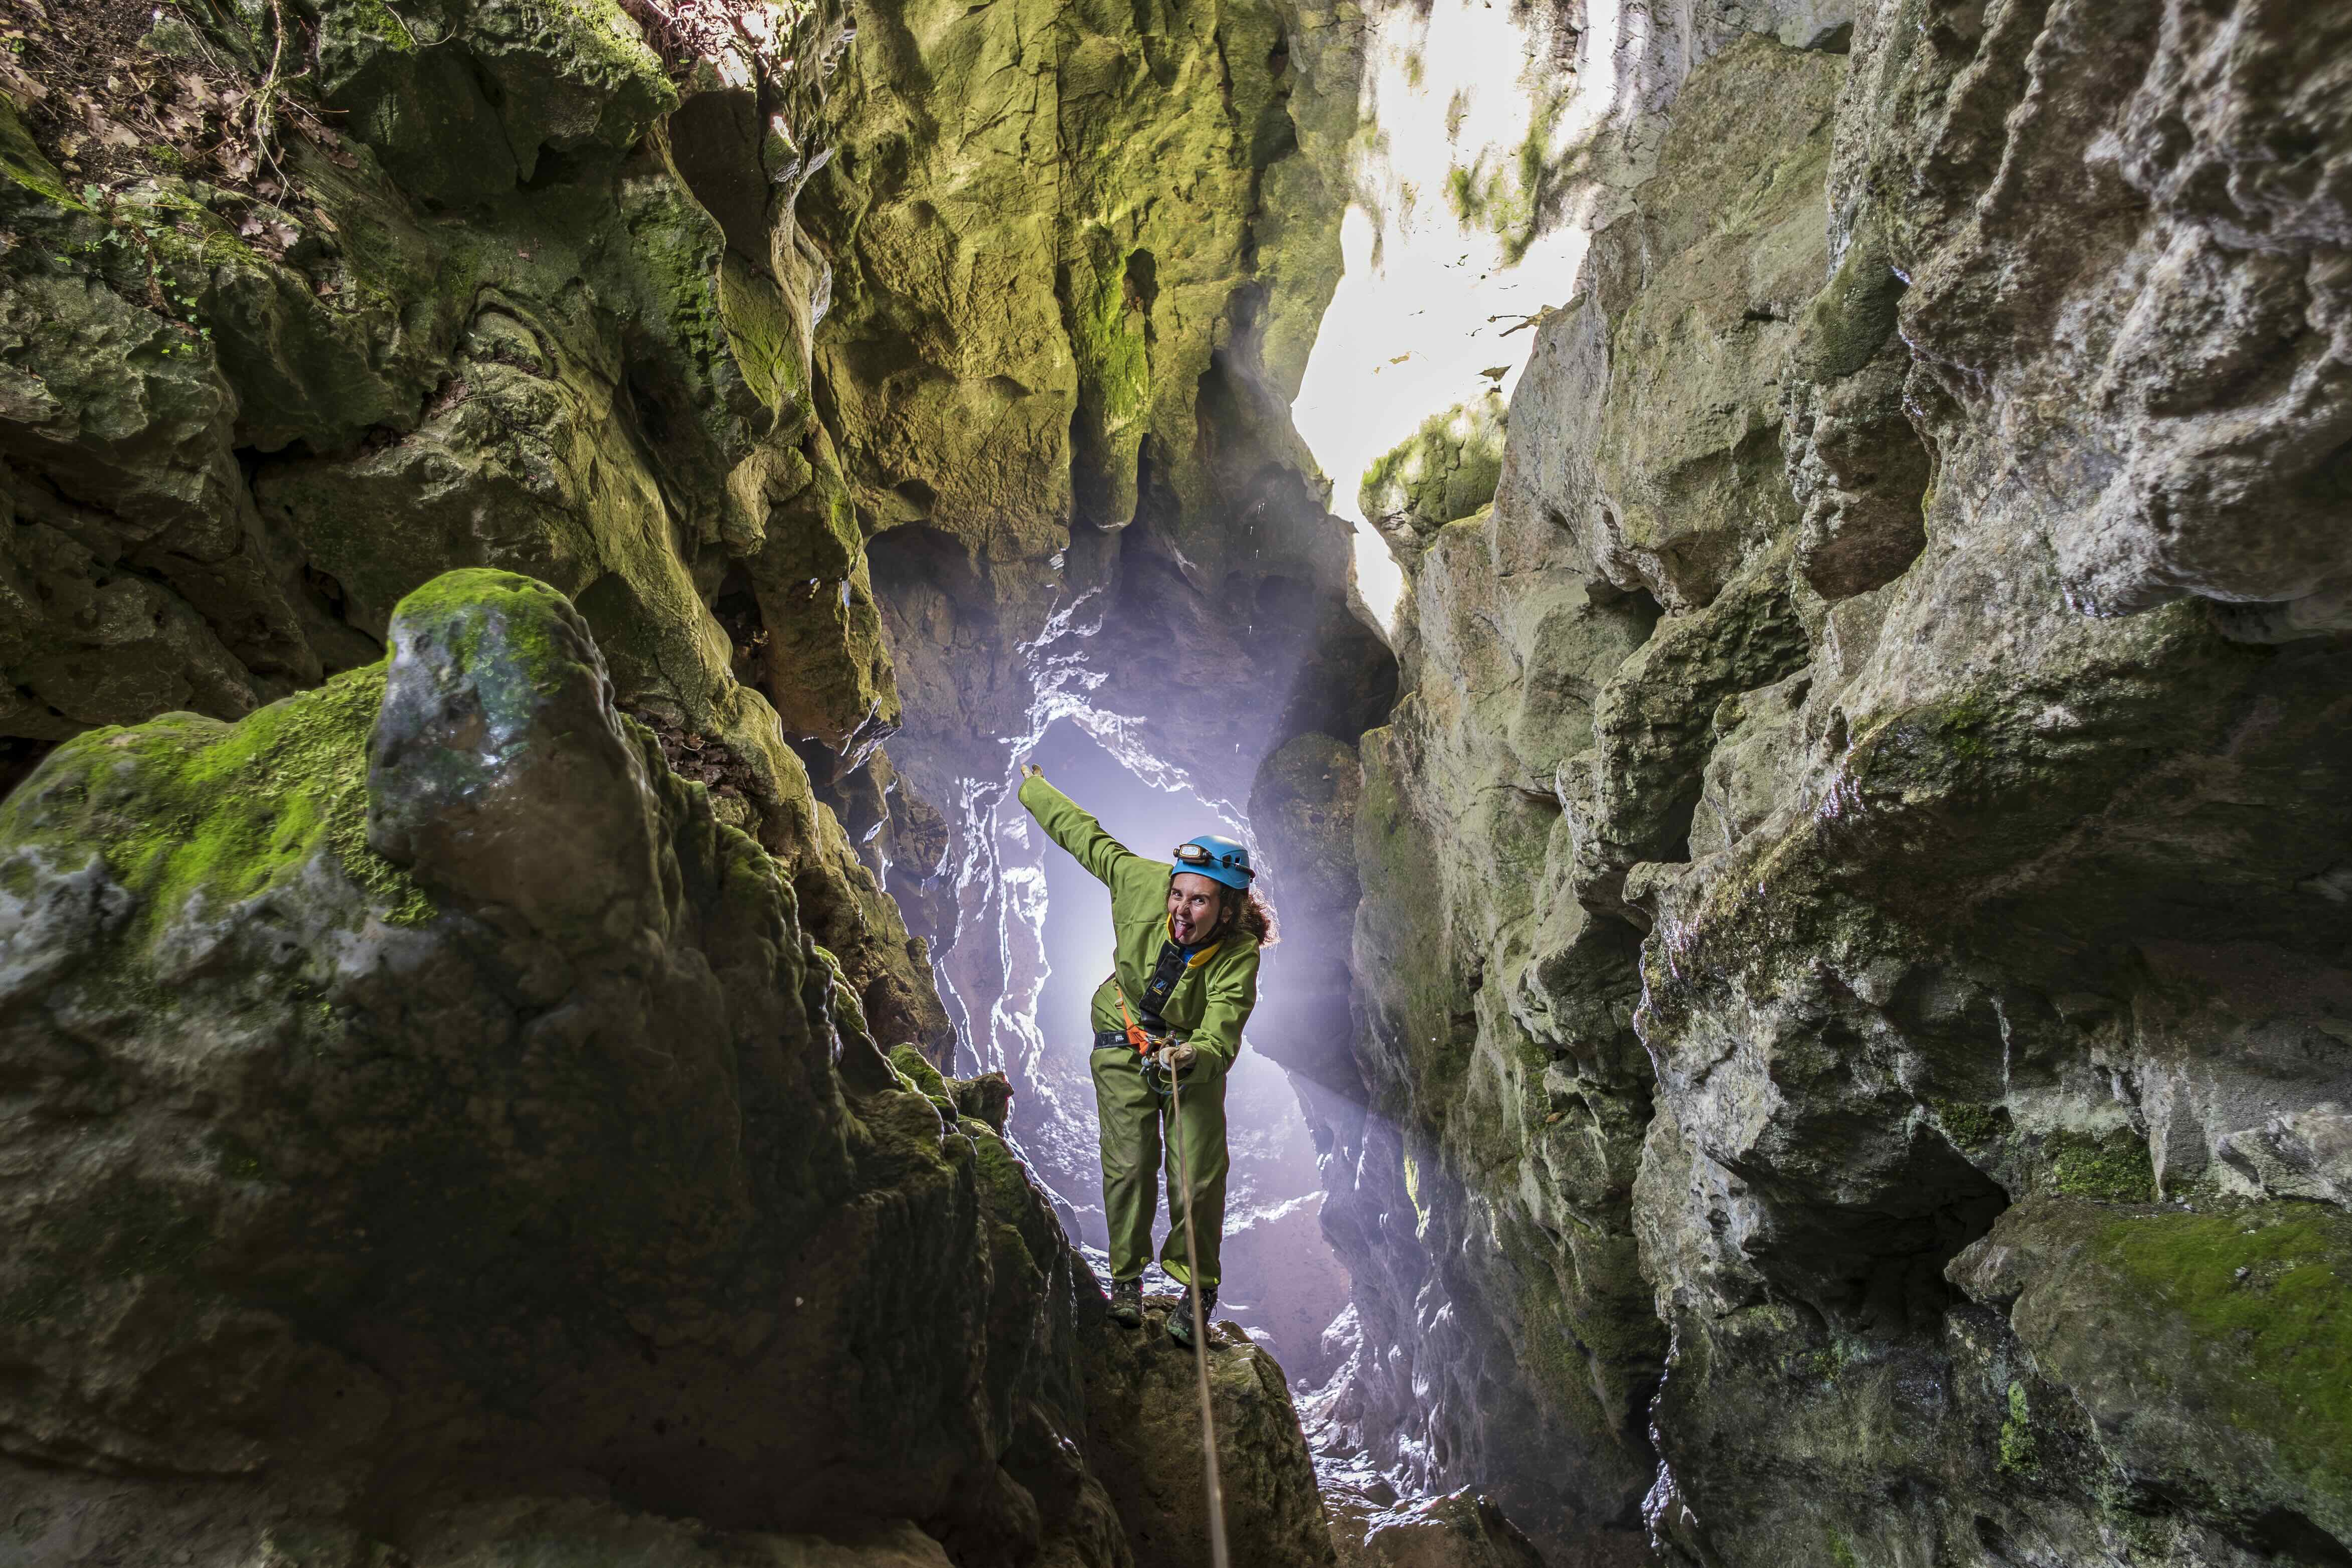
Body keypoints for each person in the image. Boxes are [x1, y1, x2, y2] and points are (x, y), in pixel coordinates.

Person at [1016, 762, 1276, 1347]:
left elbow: (1221, 1031)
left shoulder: (1238, 955)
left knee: (1198, 1175)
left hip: (1193, 1058)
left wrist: (1191, 1058)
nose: (1183, 910)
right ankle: (1127, 1279)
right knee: (1131, 1162)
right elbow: (1087, 838)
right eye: (1179, 895)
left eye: (1201, 902)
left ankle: (1196, 1287)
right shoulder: (1139, 883)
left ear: (1228, 910)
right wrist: (1034, 786)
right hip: (1123, 1029)